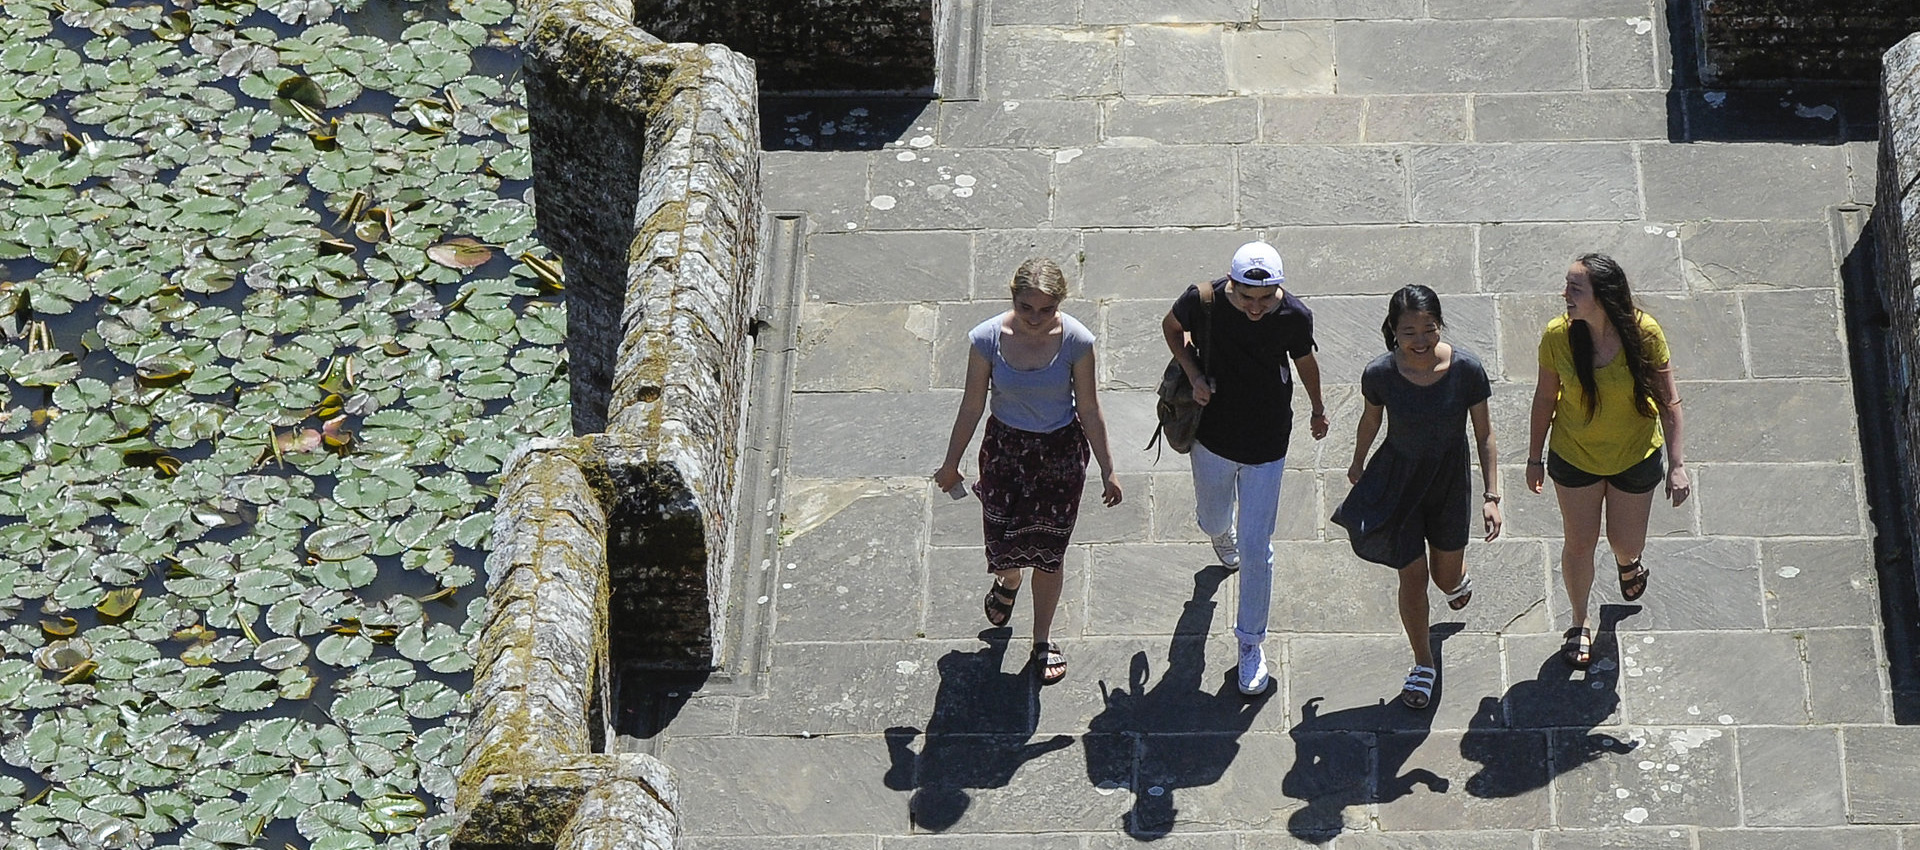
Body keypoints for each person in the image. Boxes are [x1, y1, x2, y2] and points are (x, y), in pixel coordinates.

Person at [935, 257, 1122, 685]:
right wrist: (951, 464)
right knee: (1004, 544)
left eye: (1046, 309)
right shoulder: (986, 340)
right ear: (1012, 297)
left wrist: (1108, 468)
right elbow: (971, 405)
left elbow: (1089, 408)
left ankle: (1042, 639)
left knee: (1049, 554)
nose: (1036, 318)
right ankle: (1008, 581)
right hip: (1005, 452)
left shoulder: (1077, 341)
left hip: (1059, 456)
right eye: (1026, 307)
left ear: (1060, 304)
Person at [1159, 240, 1328, 696]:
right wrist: (1194, 376)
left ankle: (1250, 641)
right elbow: (1171, 328)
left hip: (1267, 442)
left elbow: (1305, 360)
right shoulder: (1203, 300)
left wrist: (1317, 407)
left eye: (1265, 299)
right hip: (1212, 436)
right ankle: (1219, 531)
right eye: (1245, 297)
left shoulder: (1294, 316)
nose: (1255, 308)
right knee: (1213, 518)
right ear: (1230, 283)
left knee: (1258, 550)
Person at [1331, 285, 1502, 709]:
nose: (1421, 341)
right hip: (1397, 482)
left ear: (1441, 325)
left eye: (1429, 329)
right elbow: (1370, 422)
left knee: (1444, 578)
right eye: (1409, 332)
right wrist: (1357, 462)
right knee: (1412, 575)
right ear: (1392, 331)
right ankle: (1423, 663)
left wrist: (1492, 494)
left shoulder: (1467, 370)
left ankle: (1456, 578)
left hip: (1447, 483)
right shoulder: (1379, 374)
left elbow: (1485, 434)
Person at [1525, 253, 1690, 670]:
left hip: (1635, 455)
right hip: (1575, 456)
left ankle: (1628, 563)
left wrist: (1677, 463)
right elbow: (1545, 398)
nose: (1565, 295)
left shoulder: (1644, 332)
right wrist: (1533, 457)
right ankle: (1578, 623)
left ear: (1603, 296)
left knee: (1625, 542)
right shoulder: (1557, 336)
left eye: (1574, 289)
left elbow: (1669, 402)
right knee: (1579, 543)